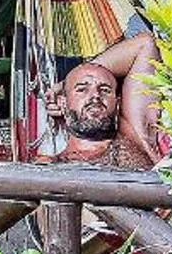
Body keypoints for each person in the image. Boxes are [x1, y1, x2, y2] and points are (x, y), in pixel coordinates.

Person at [44, 28, 162, 168]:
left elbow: (146, 44)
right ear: (63, 103)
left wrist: (64, 83)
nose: (95, 96)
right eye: (82, 89)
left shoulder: (134, 135)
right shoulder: (48, 165)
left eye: (105, 90)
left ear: (117, 103)